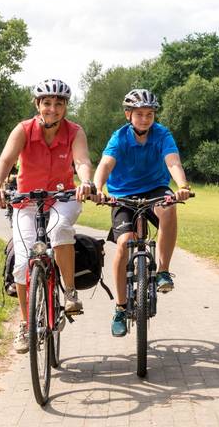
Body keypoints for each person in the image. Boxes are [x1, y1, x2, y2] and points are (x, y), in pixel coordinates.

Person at [0, 78, 94, 354]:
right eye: (47, 103)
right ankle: (25, 324)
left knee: (60, 232)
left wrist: (85, 182)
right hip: (27, 202)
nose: (53, 109)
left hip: (63, 198)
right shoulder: (23, 130)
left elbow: (82, 161)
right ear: (38, 105)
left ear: (65, 107)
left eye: (59, 104)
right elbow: (5, 161)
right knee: (22, 264)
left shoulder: (74, 131)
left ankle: (69, 292)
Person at [91, 88, 192, 337]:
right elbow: (105, 164)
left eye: (149, 114)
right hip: (122, 194)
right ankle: (120, 308)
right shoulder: (119, 137)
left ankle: (163, 272)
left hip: (155, 188)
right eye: (139, 114)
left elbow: (172, 161)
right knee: (125, 243)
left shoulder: (162, 134)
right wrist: (97, 188)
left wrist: (182, 186)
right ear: (129, 115)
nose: (145, 119)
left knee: (168, 209)